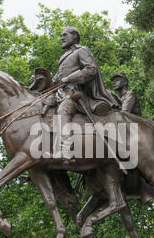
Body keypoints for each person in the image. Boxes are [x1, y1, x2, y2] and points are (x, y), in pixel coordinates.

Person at [51, 26, 120, 158]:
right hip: (60, 93)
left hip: (76, 94)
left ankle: (66, 148)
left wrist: (70, 78)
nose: (62, 38)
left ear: (75, 36)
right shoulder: (64, 56)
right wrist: (43, 80)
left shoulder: (82, 51)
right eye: (62, 35)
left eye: (65, 35)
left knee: (64, 109)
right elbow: (56, 80)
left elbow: (91, 69)